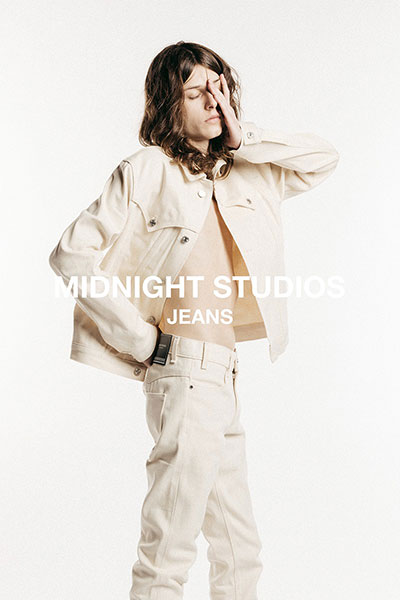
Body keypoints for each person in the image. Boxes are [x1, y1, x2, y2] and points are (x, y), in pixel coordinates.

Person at [49, 41, 339, 600]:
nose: (213, 101)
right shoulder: (148, 170)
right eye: (195, 92)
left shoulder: (250, 172)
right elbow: (71, 255)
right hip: (181, 369)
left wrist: (243, 135)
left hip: (225, 374)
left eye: (219, 88)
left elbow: (324, 157)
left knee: (239, 550)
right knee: (169, 549)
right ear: (169, 103)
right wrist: (138, 339)